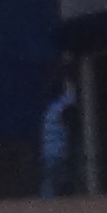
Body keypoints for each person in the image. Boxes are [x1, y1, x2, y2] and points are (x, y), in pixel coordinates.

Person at [38, 67, 78, 198]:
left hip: (48, 154)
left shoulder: (51, 109)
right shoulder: (62, 107)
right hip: (58, 154)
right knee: (57, 186)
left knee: (50, 185)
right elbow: (71, 99)